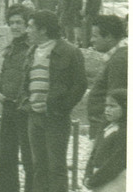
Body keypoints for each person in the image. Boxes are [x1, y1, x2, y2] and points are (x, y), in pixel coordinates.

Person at [22, 10, 87, 192]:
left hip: (55, 118)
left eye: (30, 26)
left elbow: (80, 84)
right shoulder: (32, 51)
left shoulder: (70, 51)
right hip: (33, 117)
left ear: (43, 29)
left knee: (56, 167)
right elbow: (26, 82)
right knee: (38, 166)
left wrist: (62, 108)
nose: (27, 30)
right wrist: (27, 102)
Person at [0, 4, 36, 192]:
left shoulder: (34, 48)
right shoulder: (11, 48)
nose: (15, 26)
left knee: (29, 159)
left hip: (25, 110)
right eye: (11, 22)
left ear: (28, 24)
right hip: (8, 108)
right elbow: (2, 75)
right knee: (5, 158)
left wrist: (23, 98)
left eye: (19, 22)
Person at [86, 14, 127, 146]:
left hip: (107, 130)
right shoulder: (118, 56)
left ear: (108, 36)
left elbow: (116, 101)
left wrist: (104, 137)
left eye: (95, 36)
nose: (91, 40)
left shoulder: (119, 61)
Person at [84, 89, 126, 192]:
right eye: (106, 106)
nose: (107, 110)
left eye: (112, 106)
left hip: (114, 181)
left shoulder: (124, 133)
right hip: (98, 178)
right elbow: (93, 154)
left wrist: (94, 180)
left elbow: (115, 163)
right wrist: (88, 175)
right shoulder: (106, 129)